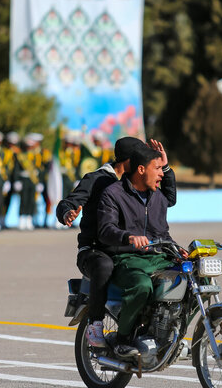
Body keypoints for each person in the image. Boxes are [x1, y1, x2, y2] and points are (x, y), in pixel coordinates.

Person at [56, 138, 176, 348]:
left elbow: (168, 199)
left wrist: (165, 168)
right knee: (105, 266)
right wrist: (68, 212)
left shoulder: (138, 186)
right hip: (96, 247)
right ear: (133, 163)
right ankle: (95, 323)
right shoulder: (98, 180)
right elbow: (69, 202)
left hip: (122, 246)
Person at [97, 146, 185, 358]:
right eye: (157, 168)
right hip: (127, 258)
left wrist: (177, 250)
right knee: (142, 286)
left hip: (159, 257)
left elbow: (165, 219)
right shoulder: (113, 194)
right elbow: (105, 229)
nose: (161, 174)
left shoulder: (158, 196)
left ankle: (173, 336)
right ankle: (123, 339)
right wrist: (128, 236)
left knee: (196, 278)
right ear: (141, 170)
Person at [15, 133, 44, 230]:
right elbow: (16, 169)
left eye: (31, 146)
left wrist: (40, 182)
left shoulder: (37, 157)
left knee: (31, 200)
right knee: (23, 200)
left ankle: (29, 219)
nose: (29, 148)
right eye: (28, 146)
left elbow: (40, 170)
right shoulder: (21, 156)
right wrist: (17, 181)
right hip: (23, 179)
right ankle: (22, 219)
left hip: (33, 180)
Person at [2, 132, 21, 229]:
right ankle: (0, 219)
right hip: (4, 179)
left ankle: (4, 219)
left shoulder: (18, 153)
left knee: (9, 200)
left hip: (14, 180)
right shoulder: (3, 152)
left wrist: (17, 180)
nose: (12, 145)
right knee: (2, 200)